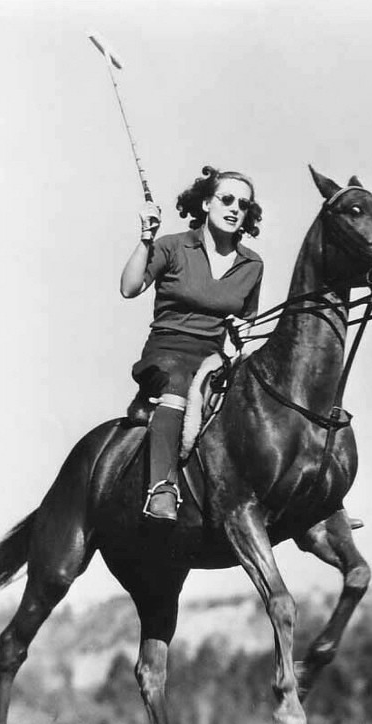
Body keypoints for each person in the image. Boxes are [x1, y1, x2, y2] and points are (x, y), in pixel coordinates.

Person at [120, 165, 264, 522]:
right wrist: (145, 240)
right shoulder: (172, 246)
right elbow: (129, 287)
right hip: (167, 353)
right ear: (205, 204)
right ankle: (161, 488)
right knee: (179, 387)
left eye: (243, 205)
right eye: (226, 199)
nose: (234, 209)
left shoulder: (252, 264)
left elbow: (245, 322)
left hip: (214, 358)